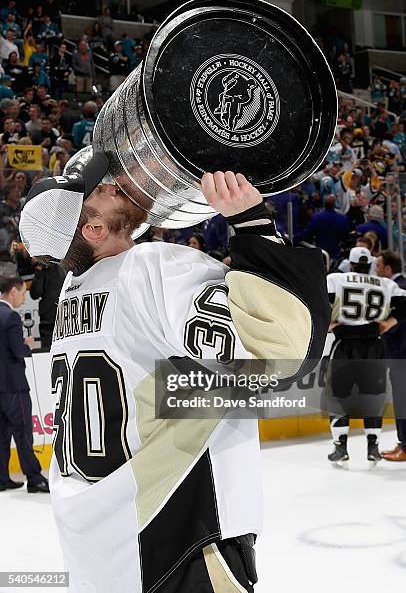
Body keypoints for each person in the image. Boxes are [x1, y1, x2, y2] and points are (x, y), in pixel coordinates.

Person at [19, 158, 329, 592]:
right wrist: (254, 225)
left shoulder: (70, 296)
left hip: (100, 552)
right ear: (93, 230)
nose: (114, 185)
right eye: (99, 191)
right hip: (178, 539)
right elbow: (275, 353)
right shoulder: (151, 268)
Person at [325, 247, 406, 465]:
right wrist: (390, 322)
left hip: (345, 344)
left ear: (350, 264)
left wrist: (327, 324)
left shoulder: (335, 279)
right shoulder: (387, 285)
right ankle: (373, 448)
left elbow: (320, 303)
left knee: (339, 397)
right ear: (369, 264)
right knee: (373, 396)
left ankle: (340, 447)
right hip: (374, 345)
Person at [0, 276, 50, 492]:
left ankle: (2, 478)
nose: (22, 297)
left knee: (2, 435)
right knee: (22, 433)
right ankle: (35, 478)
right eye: (21, 292)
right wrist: (27, 345)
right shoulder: (10, 317)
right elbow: (18, 351)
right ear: (12, 291)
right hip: (14, 386)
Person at [376, 250, 406, 462]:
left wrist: (390, 322)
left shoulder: (399, 286)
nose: (375, 271)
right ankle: (403, 442)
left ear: (388, 269)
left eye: (378, 266)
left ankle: (405, 446)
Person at [295, 194, 351, 259]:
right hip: (336, 253)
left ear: (324, 204)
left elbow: (307, 233)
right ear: (334, 205)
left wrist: (293, 239)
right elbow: (346, 236)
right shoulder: (343, 218)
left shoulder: (317, 217)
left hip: (321, 253)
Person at [29, 262, 66, 348]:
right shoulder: (64, 265)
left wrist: (38, 271)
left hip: (52, 319)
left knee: (48, 351)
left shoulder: (45, 269)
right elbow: (35, 294)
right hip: (57, 317)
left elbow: (35, 293)